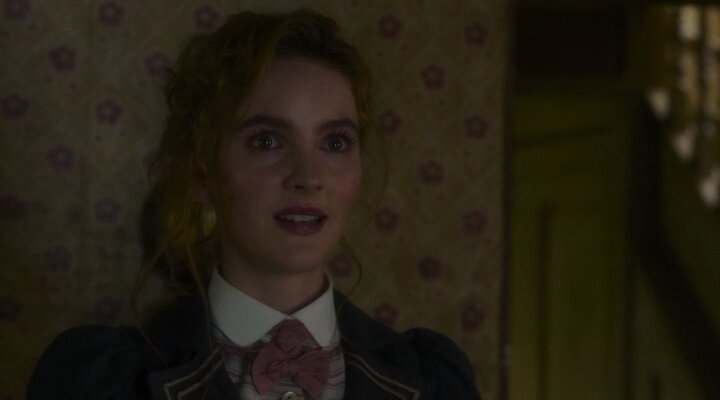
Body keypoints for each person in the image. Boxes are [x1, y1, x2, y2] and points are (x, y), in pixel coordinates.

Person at [28, 8, 481, 400]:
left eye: (335, 142)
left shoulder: (431, 378)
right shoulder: (98, 378)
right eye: (267, 141)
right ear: (203, 171)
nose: (308, 177)